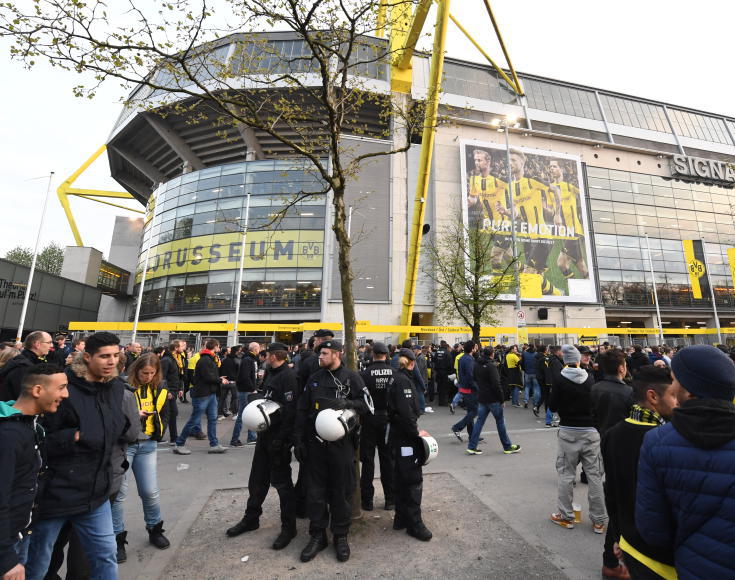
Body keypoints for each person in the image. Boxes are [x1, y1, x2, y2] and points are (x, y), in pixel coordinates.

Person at [25, 332, 127, 580]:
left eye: (115, 355)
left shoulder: (115, 386)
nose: (111, 361)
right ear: (87, 357)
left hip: (96, 494)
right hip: (55, 495)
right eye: (104, 356)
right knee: (38, 563)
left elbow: (114, 428)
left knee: (106, 555)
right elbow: (36, 439)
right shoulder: (62, 386)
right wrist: (74, 437)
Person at [635, 345, 735, 579]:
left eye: (674, 380)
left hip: (695, 565)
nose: (671, 386)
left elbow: (653, 531)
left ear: (689, 391)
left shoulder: (657, 442)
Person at [294, 339, 372, 563]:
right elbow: (302, 409)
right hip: (315, 445)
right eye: (320, 353)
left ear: (338, 354)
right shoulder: (315, 378)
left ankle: (340, 536)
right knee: (315, 494)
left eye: (325, 353)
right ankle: (318, 536)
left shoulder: (352, 378)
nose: (320, 357)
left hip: (341, 447)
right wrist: (298, 439)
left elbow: (367, 405)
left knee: (341, 493)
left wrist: (348, 404)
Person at [601, 367, 677, 580]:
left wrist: (618, 538)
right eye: (673, 395)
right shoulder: (670, 438)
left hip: (630, 544)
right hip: (662, 553)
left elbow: (612, 494)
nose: (678, 402)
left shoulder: (612, 434)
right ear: (652, 396)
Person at [226, 343, 299, 550]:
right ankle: (251, 518)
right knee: (257, 480)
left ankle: (289, 528)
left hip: (279, 439)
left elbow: (291, 411)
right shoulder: (271, 373)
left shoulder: (288, 377)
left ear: (275, 356)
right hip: (265, 436)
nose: (264, 357)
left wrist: (284, 439)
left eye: (267, 355)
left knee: (283, 485)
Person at [0, 364, 68, 580]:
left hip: (21, 533)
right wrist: (6, 559)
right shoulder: (9, 435)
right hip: (8, 543)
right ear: (37, 391)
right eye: (61, 388)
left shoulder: (31, 426)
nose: (65, 394)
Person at [111, 353, 171, 564]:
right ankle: (117, 539)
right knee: (119, 493)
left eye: (151, 373)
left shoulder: (160, 387)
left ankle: (155, 529)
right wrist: (135, 414)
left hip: (148, 443)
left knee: (150, 491)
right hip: (125, 444)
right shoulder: (121, 386)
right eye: (144, 373)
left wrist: (158, 431)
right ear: (135, 370)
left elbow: (164, 413)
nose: (147, 376)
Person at [548, 345, 607, 533]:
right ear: (578, 359)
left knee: (566, 474)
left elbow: (553, 406)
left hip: (568, 430)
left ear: (565, 360)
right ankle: (599, 520)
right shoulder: (589, 377)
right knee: (594, 475)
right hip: (590, 430)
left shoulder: (559, 379)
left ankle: (566, 516)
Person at [388, 348, 432, 541]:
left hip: (396, 436)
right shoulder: (404, 381)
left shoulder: (395, 378)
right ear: (412, 363)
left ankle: (401, 518)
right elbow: (406, 414)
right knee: (413, 479)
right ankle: (414, 524)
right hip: (405, 437)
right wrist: (417, 433)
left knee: (400, 477)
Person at [173, 339, 228, 455]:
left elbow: (209, 375)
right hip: (203, 394)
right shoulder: (205, 360)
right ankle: (179, 443)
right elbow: (207, 377)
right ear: (215, 346)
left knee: (212, 419)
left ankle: (214, 444)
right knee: (194, 419)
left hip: (210, 393)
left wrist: (218, 378)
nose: (219, 349)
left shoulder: (208, 359)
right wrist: (220, 380)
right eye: (218, 346)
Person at [359, 342, 394, 511]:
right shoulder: (394, 373)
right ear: (386, 355)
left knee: (368, 461)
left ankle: (367, 501)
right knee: (387, 460)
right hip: (388, 419)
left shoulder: (365, 374)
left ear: (373, 355)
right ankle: (390, 500)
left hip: (369, 420)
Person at [467, 346, 521, 455]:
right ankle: (507, 446)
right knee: (500, 422)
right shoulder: (491, 366)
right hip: (493, 399)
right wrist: (502, 399)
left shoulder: (476, 365)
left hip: (482, 397)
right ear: (492, 354)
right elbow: (496, 384)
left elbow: (474, 379)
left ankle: (472, 446)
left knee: (479, 422)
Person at [0, 330, 54, 402]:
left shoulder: (26, 361)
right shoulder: (23, 367)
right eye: (49, 342)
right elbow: (24, 398)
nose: (51, 345)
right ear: (37, 344)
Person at [232, 342, 260, 447]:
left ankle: (251, 437)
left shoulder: (250, 359)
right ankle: (235, 439)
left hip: (247, 389)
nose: (259, 350)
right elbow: (245, 376)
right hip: (246, 391)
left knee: (249, 414)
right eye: (258, 348)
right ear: (255, 349)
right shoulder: (248, 360)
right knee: (243, 415)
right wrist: (252, 388)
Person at [451, 341, 478, 442]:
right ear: (472, 349)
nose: (476, 348)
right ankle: (457, 427)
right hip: (469, 389)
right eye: (475, 347)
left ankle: (472, 435)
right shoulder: (469, 359)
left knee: (471, 411)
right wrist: (476, 387)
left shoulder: (462, 357)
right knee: (474, 412)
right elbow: (470, 376)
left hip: (464, 387)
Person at [160, 342, 184, 445]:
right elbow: (162, 377)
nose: (184, 348)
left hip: (173, 390)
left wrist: (180, 388)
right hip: (168, 391)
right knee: (168, 413)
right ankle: (170, 437)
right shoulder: (166, 360)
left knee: (170, 413)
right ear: (176, 347)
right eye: (182, 346)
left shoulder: (176, 359)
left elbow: (177, 376)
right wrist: (167, 391)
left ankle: (172, 437)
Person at [218, 345, 241, 419]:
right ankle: (235, 414)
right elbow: (239, 372)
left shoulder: (224, 359)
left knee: (222, 398)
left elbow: (220, 370)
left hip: (224, 381)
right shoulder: (237, 360)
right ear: (237, 352)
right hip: (233, 382)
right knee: (235, 398)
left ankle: (220, 414)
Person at [432, 340, 453, 407]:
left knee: (439, 387)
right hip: (445, 372)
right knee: (445, 387)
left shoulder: (437, 352)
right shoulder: (447, 353)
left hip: (438, 372)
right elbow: (450, 363)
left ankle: (440, 402)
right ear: (445, 345)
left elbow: (434, 360)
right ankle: (445, 402)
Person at [521, 344, 541, 410]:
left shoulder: (524, 354)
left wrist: (524, 369)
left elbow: (522, 363)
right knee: (536, 388)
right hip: (535, 373)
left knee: (527, 387)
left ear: (528, 347)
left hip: (527, 372)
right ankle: (536, 403)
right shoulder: (536, 354)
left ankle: (526, 401)